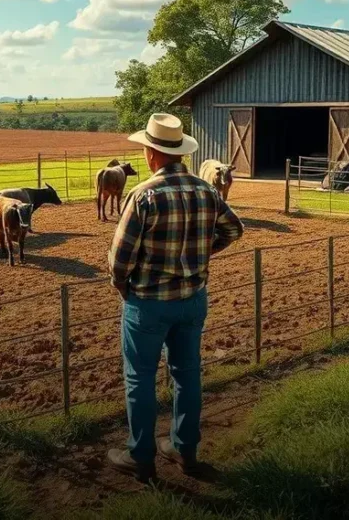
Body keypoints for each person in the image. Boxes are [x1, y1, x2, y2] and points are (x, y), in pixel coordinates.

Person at [106, 112, 244, 482]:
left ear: (151, 153)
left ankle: (141, 457)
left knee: (140, 378)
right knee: (187, 376)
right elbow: (234, 229)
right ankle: (185, 451)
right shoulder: (207, 190)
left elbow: (120, 260)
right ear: (181, 152)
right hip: (193, 299)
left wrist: (124, 286)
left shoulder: (143, 195)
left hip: (148, 303)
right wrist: (202, 254)